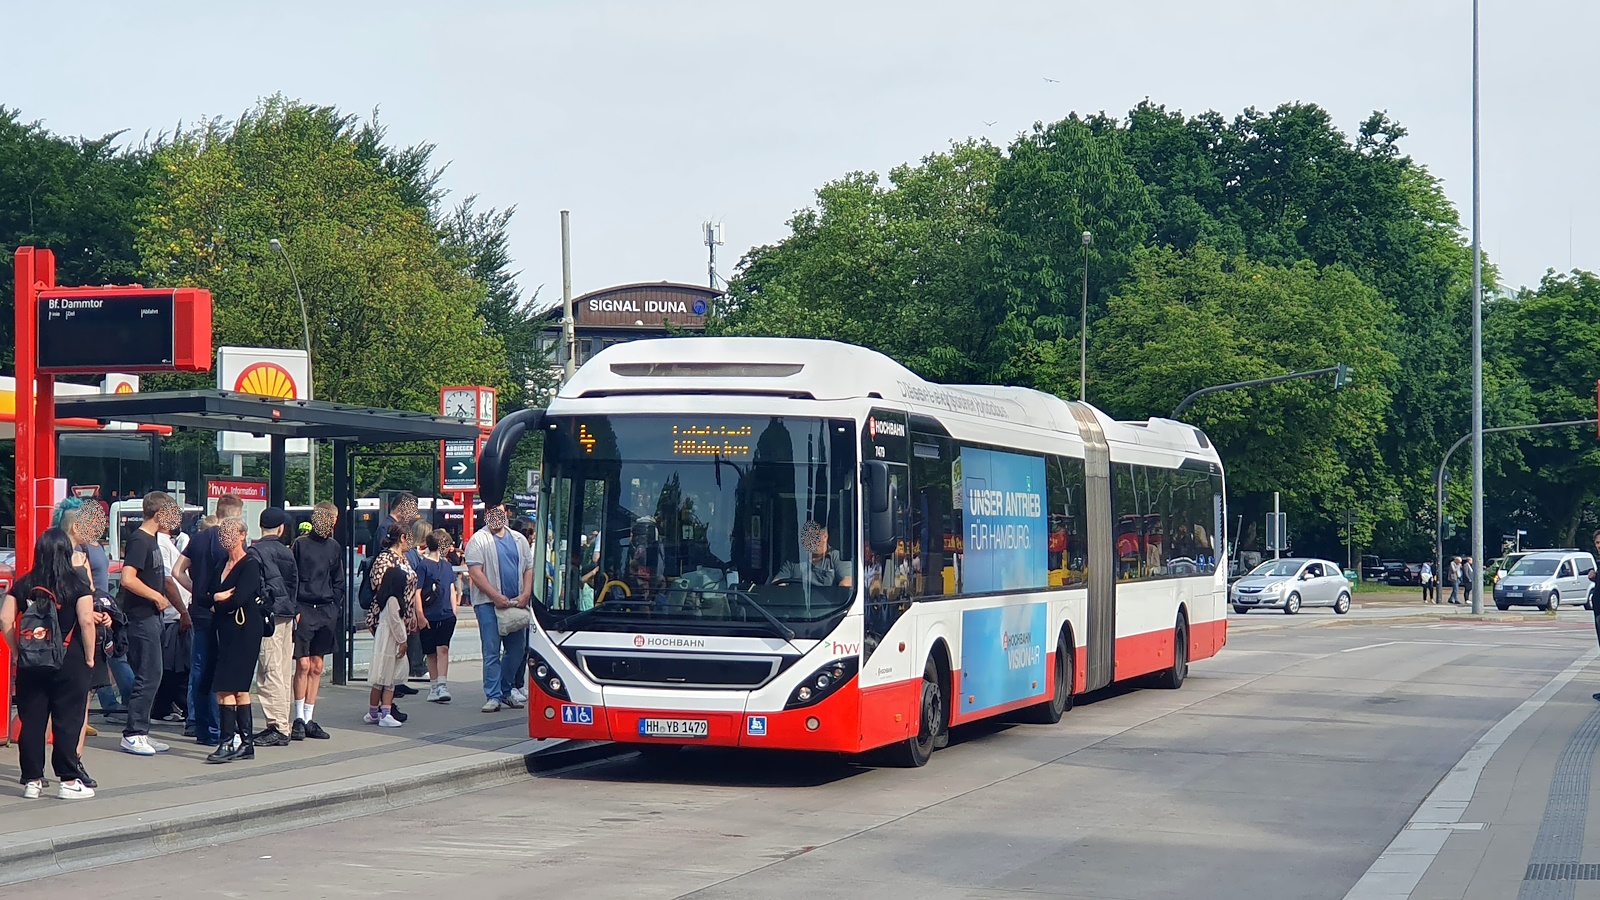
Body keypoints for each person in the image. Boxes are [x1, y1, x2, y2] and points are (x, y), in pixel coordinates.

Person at [1, 527, 99, 799]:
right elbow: (87, 621)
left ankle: (32, 780)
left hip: (31, 662)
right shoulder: (77, 584)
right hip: (70, 661)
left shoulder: (25, 583)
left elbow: (5, 619)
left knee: (32, 720)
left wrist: (17, 651)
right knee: (67, 720)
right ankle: (68, 780)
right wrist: (90, 656)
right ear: (66, 552)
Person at [173, 496, 245, 746]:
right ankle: (219, 729)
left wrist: (197, 591)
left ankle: (201, 727)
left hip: (200, 611)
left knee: (199, 669)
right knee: (220, 671)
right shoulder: (230, 541)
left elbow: (177, 571)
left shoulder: (199, 538)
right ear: (236, 515)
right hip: (221, 614)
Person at [118, 491, 177, 757]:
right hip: (141, 618)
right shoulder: (140, 540)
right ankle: (133, 734)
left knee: (153, 674)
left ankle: (141, 731)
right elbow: (127, 578)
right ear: (159, 514)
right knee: (148, 674)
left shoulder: (152, 540)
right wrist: (156, 596)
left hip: (151, 617)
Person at [206, 517, 265, 762]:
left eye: (230, 532)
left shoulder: (250, 564)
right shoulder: (221, 563)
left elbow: (240, 598)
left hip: (245, 631)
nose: (226, 537)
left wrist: (217, 603)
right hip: (225, 631)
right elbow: (205, 594)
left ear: (242, 535)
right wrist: (216, 598)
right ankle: (243, 744)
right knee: (232, 688)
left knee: (231, 686)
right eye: (223, 533)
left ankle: (229, 742)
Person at [465, 505, 533, 713]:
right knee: (492, 651)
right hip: (487, 604)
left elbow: (529, 568)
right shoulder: (478, 540)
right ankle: (493, 696)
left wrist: (526, 594)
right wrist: (495, 596)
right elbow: (475, 572)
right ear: (487, 515)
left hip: (515, 604)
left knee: (517, 649)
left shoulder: (519, 539)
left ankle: (505, 690)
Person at [292, 502, 344, 741]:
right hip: (304, 608)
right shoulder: (300, 544)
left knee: (317, 666)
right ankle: (298, 718)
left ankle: (309, 717)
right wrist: (295, 608)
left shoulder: (334, 547)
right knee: (302, 665)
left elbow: (338, 579)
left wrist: (334, 607)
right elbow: (293, 578)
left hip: (325, 610)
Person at [249, 508, 299, 747]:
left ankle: (277, 726)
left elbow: (256, 586)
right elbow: (294, 584)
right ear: (281, 529)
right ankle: (283, 722)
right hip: (287, 614)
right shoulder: (288, 553)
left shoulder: (255, 552)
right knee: (283, 670)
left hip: (268, 618)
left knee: (269, 671)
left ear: (261, 526)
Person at [365, 525, 416, 727]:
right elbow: (381, 588)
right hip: (388, 619)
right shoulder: (385, 559)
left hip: (402, 616)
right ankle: (385, 708)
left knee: (388, 669)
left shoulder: (404, 559)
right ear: (402, 538)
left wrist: (412, 614)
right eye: (409, 538)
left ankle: (380, 709)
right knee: (387, 669)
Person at [415, 528, 458, 703]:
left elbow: (452, 589)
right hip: (429, 615)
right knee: (431, 652)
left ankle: (442, 684)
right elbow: (417, 591)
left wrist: (454, 611)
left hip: (446, 614)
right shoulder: (423, 566)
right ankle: (434, 686)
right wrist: (420, 614)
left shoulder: (447, 565)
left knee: (443, 648)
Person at [772, 521, 854, 587]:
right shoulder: (793, 560)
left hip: (827, 602)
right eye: (805, 537)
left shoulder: (838, 557)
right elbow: (777, 583)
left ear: (825, 536)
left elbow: (847, 582)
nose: (808, 541)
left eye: (813, 536)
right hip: (796, 601)